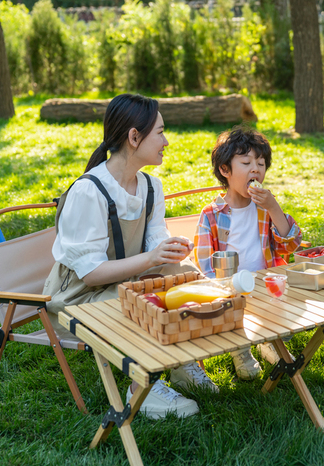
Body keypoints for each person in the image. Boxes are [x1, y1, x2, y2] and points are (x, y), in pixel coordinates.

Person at [43, 93, 212, 420]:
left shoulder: (150, 186)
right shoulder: (88, 191)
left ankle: (181, 364)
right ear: (134, 137)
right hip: (76, 300)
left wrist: (171, 253)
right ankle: (142, 390)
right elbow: (90, 274)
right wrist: (152, 261)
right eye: (160, 132)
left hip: (123, 284)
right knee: (145, 303)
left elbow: (155, 246)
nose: (166, 141)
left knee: (185, 276)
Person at [193, 126, 303, 379]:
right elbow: (205, 263)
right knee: (233, 308)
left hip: (265, 282)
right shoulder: (211, 215)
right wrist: (220, 288)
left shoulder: (265, 208)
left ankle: (268, 341)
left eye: (261, 163)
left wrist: (274, 207)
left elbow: (289, 245)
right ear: (225, 170)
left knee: (276, 305)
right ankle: (241, 348)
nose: (255, 169)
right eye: (246, 162)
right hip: (230, 287)